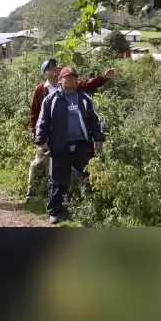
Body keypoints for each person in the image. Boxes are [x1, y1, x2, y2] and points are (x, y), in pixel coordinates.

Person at [25, 58, 116, 202]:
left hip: (69, 139)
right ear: (45, 73)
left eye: (56, 67)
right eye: (51, 68)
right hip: (48, 137)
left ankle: (76, 199)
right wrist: (38, 138)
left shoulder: (72, 86)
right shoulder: (41, 91)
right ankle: (32, 192)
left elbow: (88, 84)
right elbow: (36, 115)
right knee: (38, 164)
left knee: (73, 169)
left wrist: (103, 78)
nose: (55, 69)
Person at [34, 66, 105, 224]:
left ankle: (90, 208)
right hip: (60, 147)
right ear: (61, 79)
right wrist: (40, 141)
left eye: (74, 77)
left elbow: (95, 120)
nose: (71, 79)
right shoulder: (51, 100)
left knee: (87, 177)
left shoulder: (84, 98)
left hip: (82, 146)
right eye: (68, 77)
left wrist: (98, 139)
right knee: (58, 181)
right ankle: (54, 212)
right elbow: (42, 122)